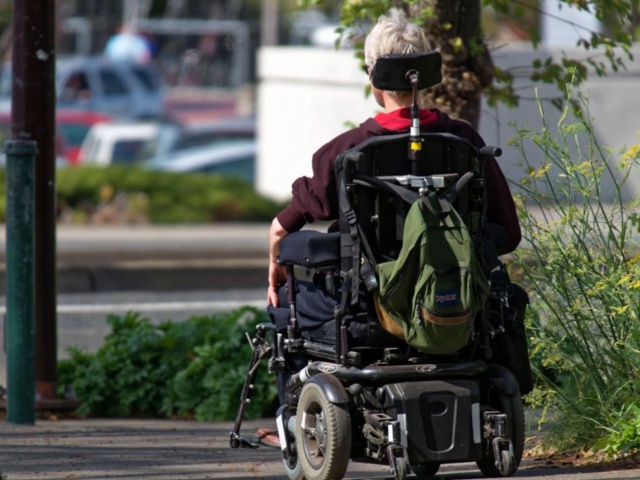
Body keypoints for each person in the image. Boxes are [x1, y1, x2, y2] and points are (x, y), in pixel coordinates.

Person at [257, 7, 521, 448]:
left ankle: (289, 421)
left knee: (287, 299)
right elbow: (507, 232)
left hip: (368, 308)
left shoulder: (347, 151)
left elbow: (281, 231)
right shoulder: (466, 145)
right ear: (429, 72)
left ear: (373, 76)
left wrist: (275, 264)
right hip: (453, 304)